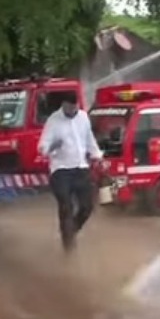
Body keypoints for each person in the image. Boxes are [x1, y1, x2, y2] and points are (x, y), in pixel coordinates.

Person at [38, 92, 102, 252]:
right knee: (66, 206)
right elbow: (42, 147)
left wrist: (97, 156)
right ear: (64, 105)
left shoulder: (83, 117)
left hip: (81, 168)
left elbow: (89, 140)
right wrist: (52, 146)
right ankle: (68, 246)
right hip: (61, 171)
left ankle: (71, 230)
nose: (73, 110)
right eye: (69, 107)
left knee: (87, 206)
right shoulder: (53, 121)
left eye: (75, 107)